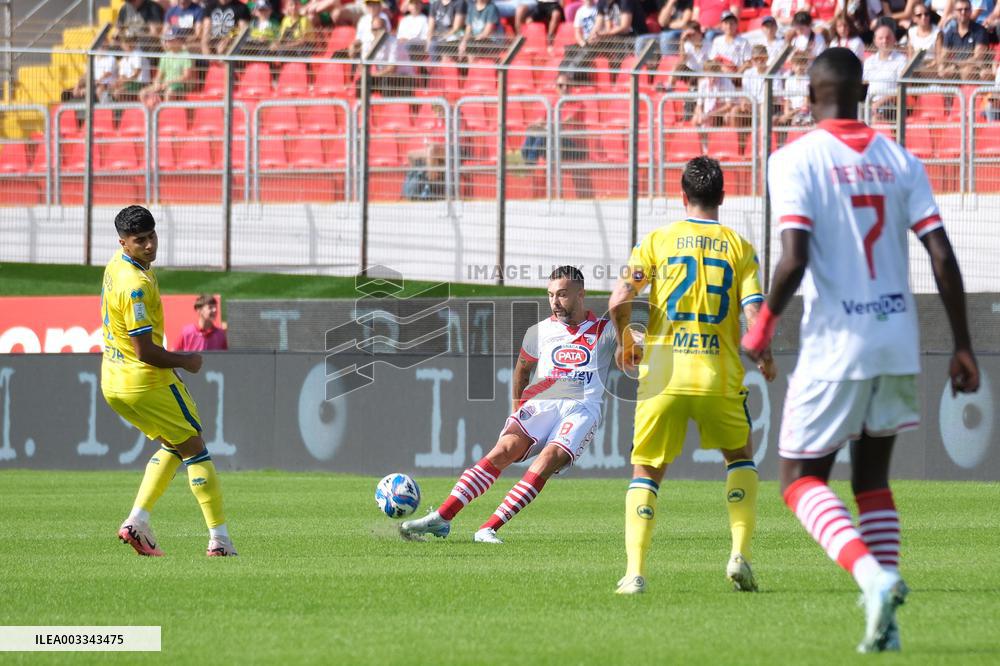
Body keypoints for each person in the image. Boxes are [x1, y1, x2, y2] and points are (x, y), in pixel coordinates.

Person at [741, 47, 979, 652]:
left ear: (807, 96)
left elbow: (793, 257)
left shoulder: (794, 158)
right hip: (899, 340)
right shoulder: (901, 159)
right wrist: (963, 346)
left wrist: (765, 320)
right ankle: (888, 618)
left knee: (798, 478)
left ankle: (873, 579)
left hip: (836, 345)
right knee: (872, 480)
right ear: (864, 92)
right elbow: (943, 256)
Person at [607, 156, 777, 595]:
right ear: (722, 196)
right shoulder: (740, 247)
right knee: (739, 458)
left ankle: (635, 573)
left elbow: (618, 298)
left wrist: (627, 340)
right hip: (718, 374)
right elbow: (754, 311)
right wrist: (764, 355)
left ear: (682, 196)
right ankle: (739, 554)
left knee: (646, 471)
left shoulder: (658, 241)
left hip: (662, 374)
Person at [400, 266, 622, 543]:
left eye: (562, 294)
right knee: (503, 450)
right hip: (543, 402)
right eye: (551, 295)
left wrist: (635, 344)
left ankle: (488, 528)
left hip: (582, 408)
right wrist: (517, 409)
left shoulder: (605, 329)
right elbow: (522, 370)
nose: (555, 301)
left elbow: (631, 349)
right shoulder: (539, 331)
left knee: (548, 460)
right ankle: (443, 517)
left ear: (581, 295)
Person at [102, 205, 237, 558]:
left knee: (175, 444)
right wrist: (185, 361)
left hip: (113, 382)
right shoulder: (135, 285)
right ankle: (219, 541)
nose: (148, 246)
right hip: (143, 378)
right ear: (123, 242)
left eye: (151, 237)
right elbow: (145, 350)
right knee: (195, 446)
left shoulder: (117, 265)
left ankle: (137, 522)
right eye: (139, 241)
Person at [139, 29, 196, 108]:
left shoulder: (186, 55)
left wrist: (169, 82)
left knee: (169, 93)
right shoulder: (165, 56)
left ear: (179, 41)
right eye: (166, 40)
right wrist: (157, 83)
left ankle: (166, 115)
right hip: (165, 84)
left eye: (170, 40)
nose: (167, 42)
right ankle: (150, 116)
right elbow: (159, 75)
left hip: (179, 86)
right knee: (143, 92)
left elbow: (186, 76)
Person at [863, 24, 906, 121]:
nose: (885, 41)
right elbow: (864, 85)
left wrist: (879, 103)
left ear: (894, 39)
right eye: (881, 38)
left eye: (888, 37)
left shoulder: (901, 60)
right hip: (870, 105)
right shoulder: (869, 61)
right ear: (875, 41)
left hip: (891, 106)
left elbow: (903, 88)